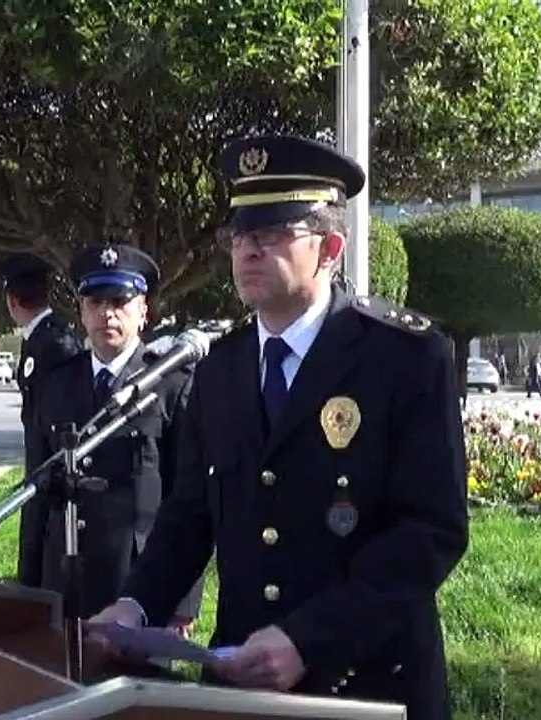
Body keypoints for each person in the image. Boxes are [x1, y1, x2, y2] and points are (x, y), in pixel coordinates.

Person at [87, 135, 469, 720]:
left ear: (330, 247)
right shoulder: (219, 370)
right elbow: (189, 516)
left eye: (273, 234)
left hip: (365, 682)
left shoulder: (404, 359)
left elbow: (430, 531)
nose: (248, 251)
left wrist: (308, 639)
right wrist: (136, 605)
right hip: (245, 681)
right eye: (239, 235)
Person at [27, 244, 202, 632]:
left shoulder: (171, 383)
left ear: (144, 312)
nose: (107, 313)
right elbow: (35, 493)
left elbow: (190, 498)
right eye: (95, 302)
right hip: (65, 577)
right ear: (81, 311)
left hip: (139, 583)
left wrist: (182, 600)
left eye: (120, 302)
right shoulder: (55, 383)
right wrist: (29, 587)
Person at [1, 253, 85, 589]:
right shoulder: (39, 338)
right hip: (40, 468)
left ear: (11, 300)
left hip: (53, 471)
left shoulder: (54, 341)